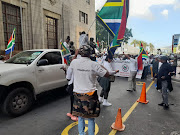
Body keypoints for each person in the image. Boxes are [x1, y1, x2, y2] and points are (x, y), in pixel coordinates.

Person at [67, 45, 109, 135]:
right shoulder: (94, 64)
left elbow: (68, 77)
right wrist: (102, 66)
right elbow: (107, 74)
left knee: (80, 117)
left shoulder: (74, 63)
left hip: (78, 94)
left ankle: (81, 134)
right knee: (90, 118)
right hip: (90, 95)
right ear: (90, 53)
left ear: (80, 53)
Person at [65, 56, 78, 121]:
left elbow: (68, 78)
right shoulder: (74, 67)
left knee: (74, 100)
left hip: (73, 85)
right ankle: (73, 114)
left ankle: (72, 113)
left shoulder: (71, 67)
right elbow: (68, 78)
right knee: (74, 100)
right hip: (74, 85)